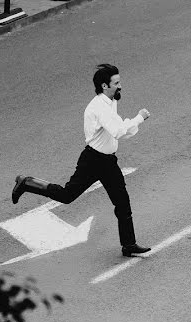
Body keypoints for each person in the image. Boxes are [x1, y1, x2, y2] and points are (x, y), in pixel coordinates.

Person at [11, 63, 152, 257]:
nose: (120, 86)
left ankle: (129, 244)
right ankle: (27, 182)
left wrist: (135, 123)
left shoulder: (110, 102)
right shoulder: (99, 107)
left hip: (108, 162)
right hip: (93, 161)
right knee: (67, 196)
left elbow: (120, 131)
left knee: (122, 202)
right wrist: (139, 118)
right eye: (116, 83)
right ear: (104, 86)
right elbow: (119, 132)